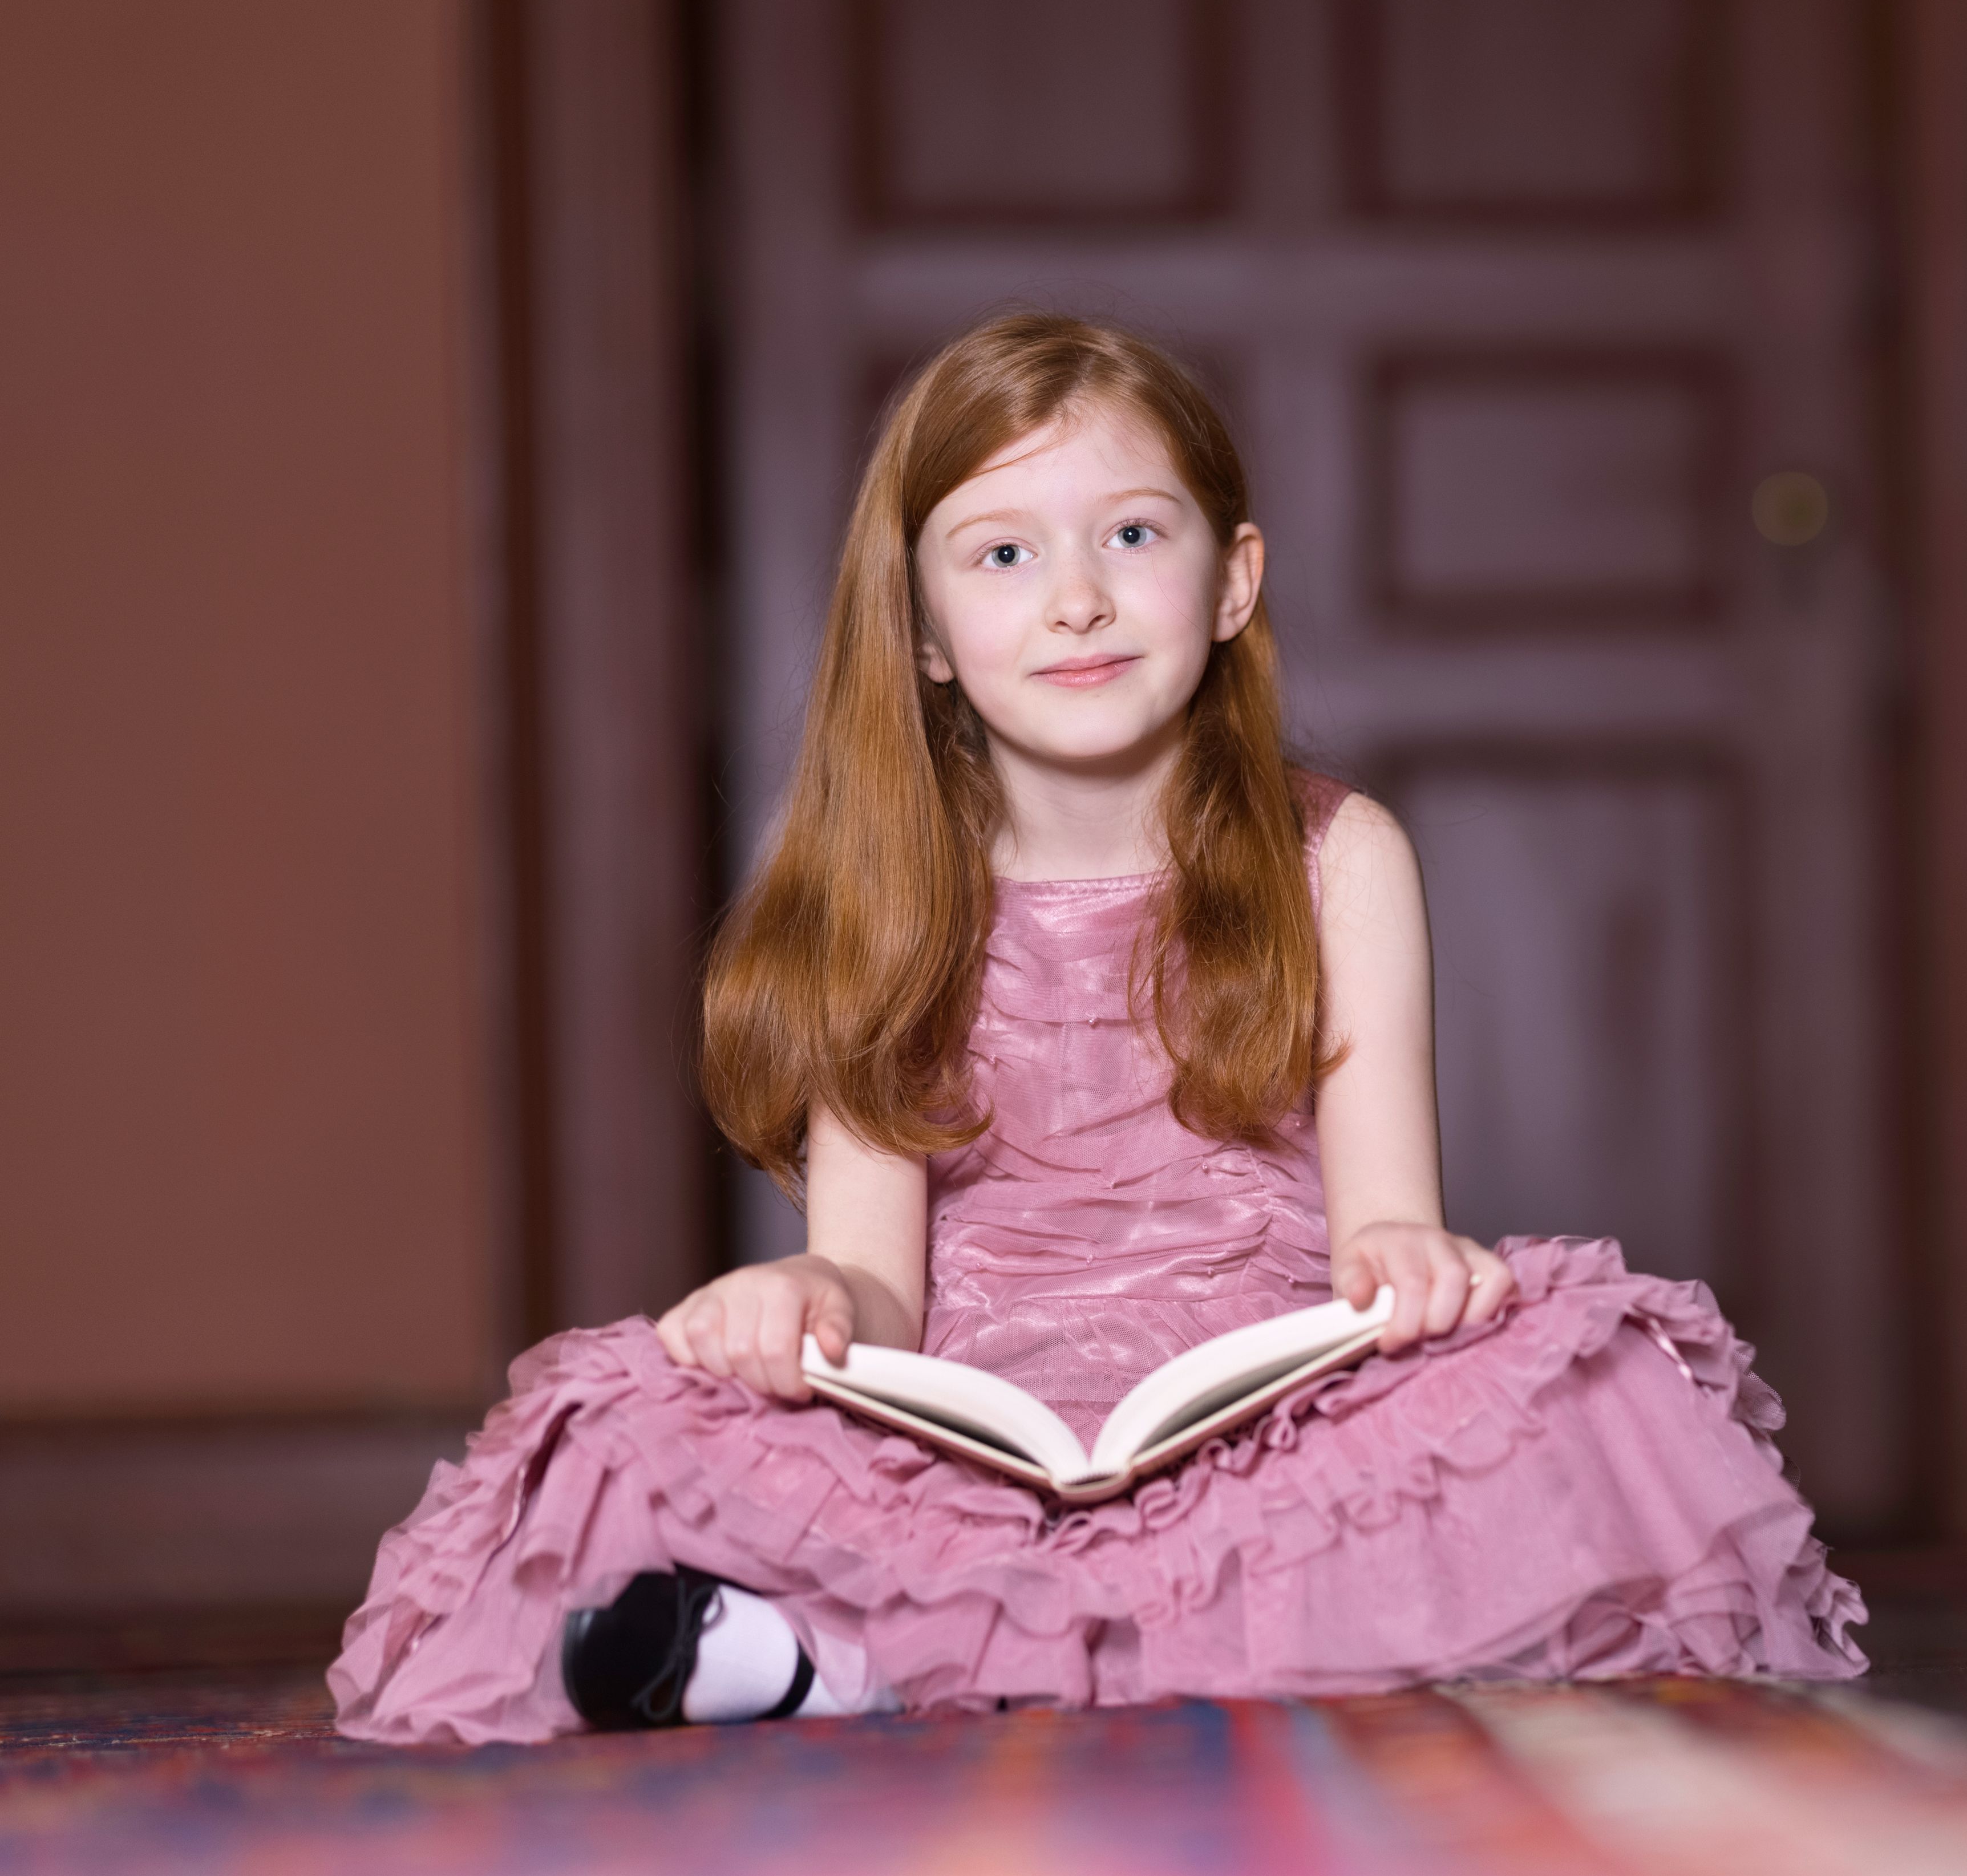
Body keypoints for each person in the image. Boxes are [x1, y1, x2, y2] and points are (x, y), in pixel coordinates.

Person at [331, 313, 1868, 1743]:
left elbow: (1388, 1221)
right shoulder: (891, 894)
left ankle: (863, 1663)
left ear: (1235, 581)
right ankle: (903, 1642)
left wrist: (1414, 1266)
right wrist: (807, 1294)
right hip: (974, 1441)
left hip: (1268, 1424)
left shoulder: (1341, 857)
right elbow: (875, 1279)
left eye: (1132, 536)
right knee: (631, 1409)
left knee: (1595, 1368)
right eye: (1004, 554)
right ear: (925, 630)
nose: (1077, 597)